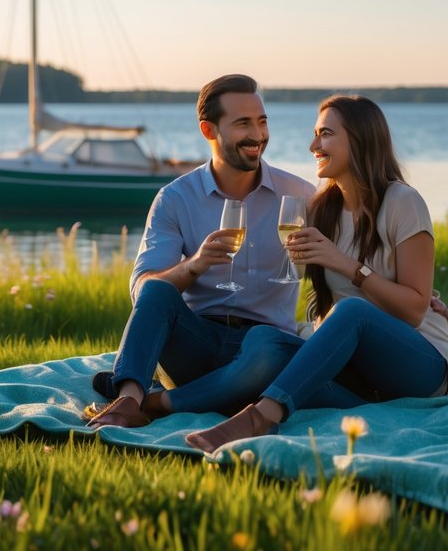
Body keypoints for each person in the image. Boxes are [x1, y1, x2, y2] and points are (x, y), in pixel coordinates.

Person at [184, 95, 448, 452]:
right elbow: (329, 306)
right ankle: (158, 403)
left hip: (422, 365)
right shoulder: (323, 209)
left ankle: (261, 417)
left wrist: (345, 263)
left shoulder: (402, 202)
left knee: (354, 313)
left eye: (325, 134)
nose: (313, 145)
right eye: (315, 134)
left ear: (359, 139)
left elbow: (413, 310)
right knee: (270, 343)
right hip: (363, 374)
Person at [86, 74, 317, 428]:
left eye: (262, 121)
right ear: (209, 131)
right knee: (157, 289)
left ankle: (157, 403)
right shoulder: (175, 198)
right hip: (194, 343)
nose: (257, 135)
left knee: (271, 346)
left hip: (263, 347)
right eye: (243, 124)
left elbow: (348, 258)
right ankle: (128, 401)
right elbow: (142, 291)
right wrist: (194, 266)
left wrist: (421, 299)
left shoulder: (301, 195)